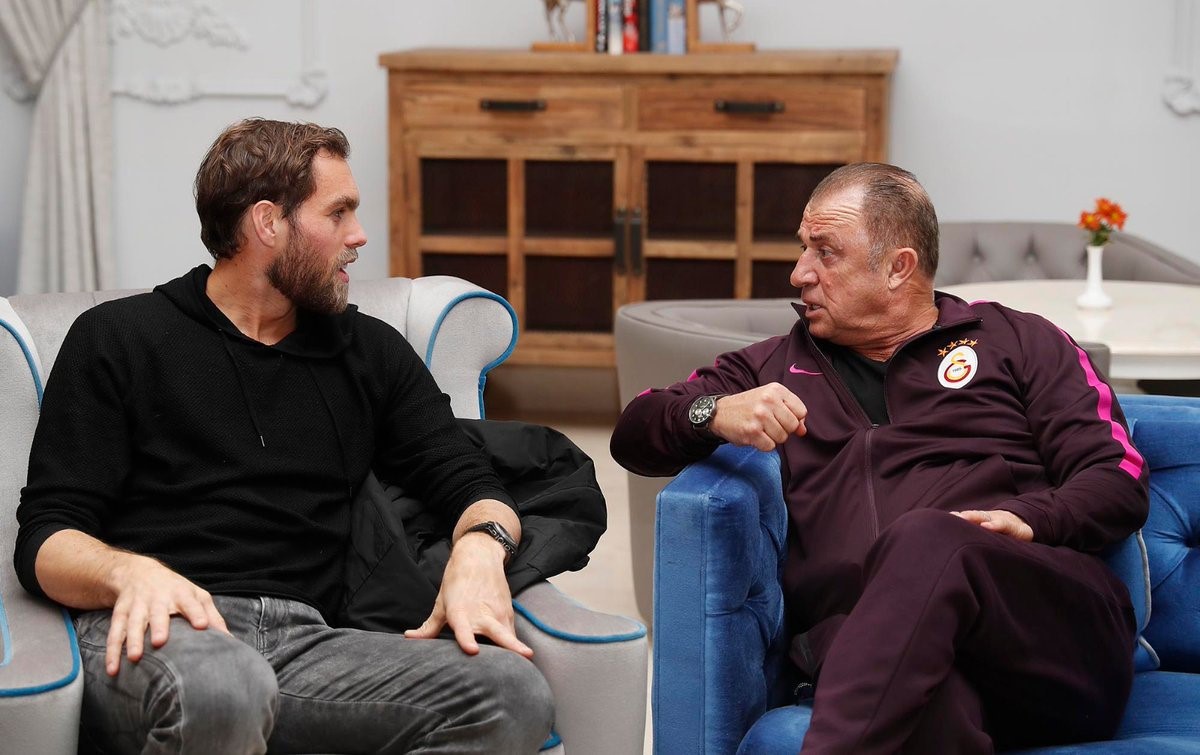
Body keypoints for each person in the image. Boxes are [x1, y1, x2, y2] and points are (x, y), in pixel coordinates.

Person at [14, 118, 553, 755]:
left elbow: (470, 481)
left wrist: (481, 550)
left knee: (513, 693)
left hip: (308, 645)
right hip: (160, 632)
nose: (359, 235)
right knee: (227, 687)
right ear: (268, 223)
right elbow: (46, 539)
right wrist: (128, 573)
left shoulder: (368, 351)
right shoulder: (120, 337)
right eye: (339, 213)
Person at [611, 163, 1148, 752]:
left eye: (825, 253)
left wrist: (1031, 517)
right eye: (802, 249)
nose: (799, 273)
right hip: (882, 654)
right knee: (926, 701)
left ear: (898, 267)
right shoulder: (768, 368)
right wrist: (712, 411)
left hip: (1046, 635)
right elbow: (635, 431)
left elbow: (1116, 478)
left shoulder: (1019, 340)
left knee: (930, 539)